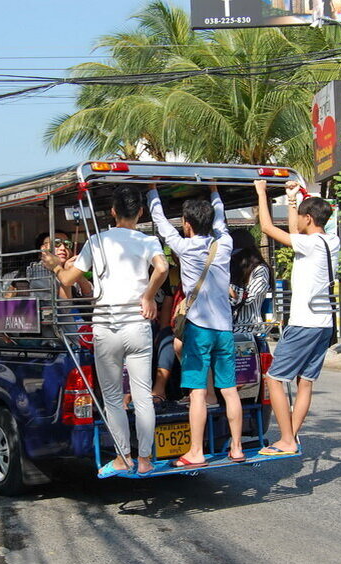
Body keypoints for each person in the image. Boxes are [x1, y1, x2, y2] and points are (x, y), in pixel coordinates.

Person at [42, 185, 167, 476]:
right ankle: (146, 459)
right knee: (143, 395)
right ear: (140, 212)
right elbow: (161, 269)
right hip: (138, 323)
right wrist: (148, 297)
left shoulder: (97, 241)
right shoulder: (148, 240)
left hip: (107, 326)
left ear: (112, 211)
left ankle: (125, 457)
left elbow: (69, 278)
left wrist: (53, 266)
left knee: (112, 397)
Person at [149, 183, 244, 467]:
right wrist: (215, 192)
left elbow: (160, 222)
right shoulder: (224, 243)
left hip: (198, 329)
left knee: (198, 392)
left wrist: (153, 191)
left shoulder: (183, 246)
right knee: (229, 390)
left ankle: (196, 452)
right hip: (225, 329)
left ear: (187, 225)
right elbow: (221, 219)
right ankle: (237, 448)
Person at [254, 179, 339, 456]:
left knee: (274, 378)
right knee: (305, 381)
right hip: (324, 324)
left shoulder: (311, 244)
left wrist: (261, 192)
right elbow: (294, 231)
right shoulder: (331, 241)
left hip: (305, 323)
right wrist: (292, 201)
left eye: (301, 216)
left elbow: (267, 228)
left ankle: (287, 440)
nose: (297, 221)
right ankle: (292, 436)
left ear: (309, 218)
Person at [27, 231, 92, 299]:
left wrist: (78, 276)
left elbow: (92, 298)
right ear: (43, 249)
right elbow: (65, 308)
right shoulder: (39, 271)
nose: (63, 248)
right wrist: (65, 276)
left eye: (67, 244)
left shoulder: (69, 266)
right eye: (56, 243)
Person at [229, 229, 272, 333]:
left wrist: (229, 290)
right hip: (230, 326)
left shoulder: (260, 270)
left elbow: (249, 298)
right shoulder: (235, 271)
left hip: (249, 328)